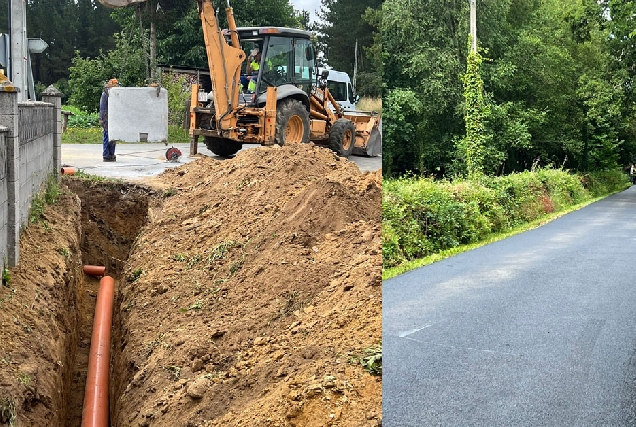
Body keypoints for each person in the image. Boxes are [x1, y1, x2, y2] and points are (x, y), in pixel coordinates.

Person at [99, 78, 119, 162]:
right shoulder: (106, 93)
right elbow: (103, 108)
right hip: (106, 117)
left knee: (113, 136)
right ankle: (106, 155)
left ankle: (111, 154)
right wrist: (102, 119)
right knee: (107, 136)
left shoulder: (113, 93)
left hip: (112, 117)